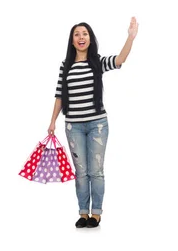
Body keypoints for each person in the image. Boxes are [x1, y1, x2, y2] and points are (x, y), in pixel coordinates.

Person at [47, 17, 138, 228]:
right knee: (81, 172)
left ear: (90, 39)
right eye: (77, 34)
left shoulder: (97, 62)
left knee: (96, 171)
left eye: (85, 34)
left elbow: (119, 59)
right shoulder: (65, 66)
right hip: (73, 126)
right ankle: (82, 213)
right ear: (72, 41)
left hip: (97, 124)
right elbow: (59, 95)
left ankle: (96, 213)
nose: (81, 37)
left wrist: (130, 38)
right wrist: (52, 121)